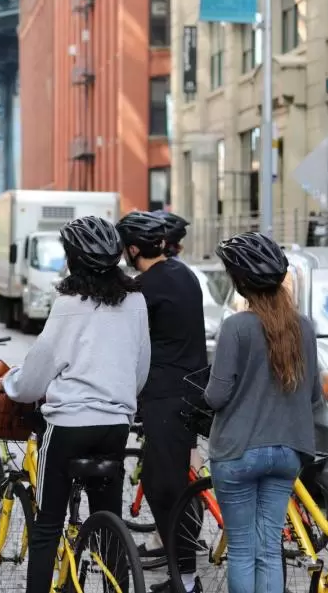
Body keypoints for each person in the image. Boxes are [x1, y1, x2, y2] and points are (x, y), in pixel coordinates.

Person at [0, 215, 150, 593]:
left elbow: (37, 371)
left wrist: (10, 384)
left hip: (70, 425)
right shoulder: (136, 300)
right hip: (116, 424)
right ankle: (115, 580)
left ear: (72, 259)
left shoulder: (68, 303)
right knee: (107, 519)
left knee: (48, 524)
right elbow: (140, 368)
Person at [206, 232, 320, 593]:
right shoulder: (304, 327)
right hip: (288, 450)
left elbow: (217, 396)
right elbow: (314, 395)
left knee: (241, 551)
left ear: (240, 282)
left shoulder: (236, 327)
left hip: (239, 450)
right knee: (269, 550)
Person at [116, 210, 207, 593]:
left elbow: (127, 345)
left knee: (163, 489)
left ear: (134, 249)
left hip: (166, 399)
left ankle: (185, 580)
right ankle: (182, 574)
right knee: (177, 486)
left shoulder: (143, 289)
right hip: (194, 392)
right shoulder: (184, 274)